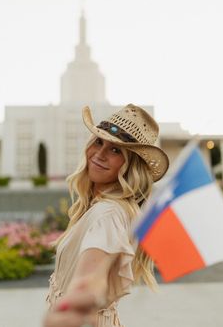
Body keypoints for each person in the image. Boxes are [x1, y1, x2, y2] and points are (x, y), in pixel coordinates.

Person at [43, 103, 169, 327]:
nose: (99, 154)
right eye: (99, 142)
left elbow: (88, 285)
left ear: (131, 165)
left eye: (115, 150)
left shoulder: (108, 213)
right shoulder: (106, 207)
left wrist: (73, 305)